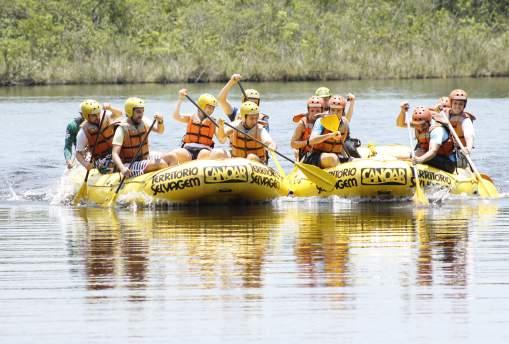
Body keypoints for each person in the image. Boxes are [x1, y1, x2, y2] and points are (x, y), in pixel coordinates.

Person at [111, 97, 169, 178]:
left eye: (142, 111)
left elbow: (160, 131)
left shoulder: (143, 121)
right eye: (138, 112)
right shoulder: (121, 129)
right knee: (160, 163)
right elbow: (114, 154)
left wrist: (160, 121)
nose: (141, 114)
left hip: (145, 158)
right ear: (130, 112)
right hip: (130, 164)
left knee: (170, 157)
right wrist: (122, 168)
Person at [170, 89, 228, 161]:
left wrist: (221, 127)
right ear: (201, 106)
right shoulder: (190, 117)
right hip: (188, 149)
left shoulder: (214, 122)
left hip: (204, 150)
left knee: (203, 154)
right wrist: (180, 99)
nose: (211, 111)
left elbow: (222, 140)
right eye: (209, 107)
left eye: (213, 108)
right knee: (176, 153)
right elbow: (176, 116)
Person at [75, 100, 123, 174]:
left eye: (98, 113)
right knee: (111, 163)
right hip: (101, 159)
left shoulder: (105, 115)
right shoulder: (83, 133)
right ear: (86, 116)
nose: (97, 117)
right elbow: (78, 154)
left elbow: (120, 114)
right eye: (93, 115)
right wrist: (86, 164)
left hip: (117, 152)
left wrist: (110, 108)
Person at [305, 95, 351, 169]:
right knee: (333, 158)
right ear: (329, 110)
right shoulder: (320, 121)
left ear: (343, 111)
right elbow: (311, 140)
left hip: (336, 155)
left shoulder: (345, 123)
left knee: (354, 160)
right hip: (316, 157)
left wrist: (348, 159)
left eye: (338, 111)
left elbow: (341, 147)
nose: (335, 113)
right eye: (333, 110)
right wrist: (330, 135)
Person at [410, 107, 456, 173]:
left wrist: (419, 159)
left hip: (448, 163)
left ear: (428, 122)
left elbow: (433, 151)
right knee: (417, 152)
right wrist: (403, 111)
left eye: (422, 125)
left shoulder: (437, 130)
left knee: (419, 153)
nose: (420, 127)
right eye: (417, 125)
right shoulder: (418, 124)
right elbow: (401, 124)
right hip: (431, 157)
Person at [437, 89, 476, 168]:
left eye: (460, 104)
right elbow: (426, 115)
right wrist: (436, 108)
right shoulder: (444, 113)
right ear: (451, 103)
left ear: (464, 105)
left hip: (458, 154)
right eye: (455, 103)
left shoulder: (465, 120)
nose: (457, 106)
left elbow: (469, 135)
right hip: (445, 150)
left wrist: (468, 148)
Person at [290, 96, 324, 161]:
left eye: (317, 111)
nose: (315, 113)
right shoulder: (302, 123)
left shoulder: (326, 121)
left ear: (322, 110)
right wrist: (308, 142)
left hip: (322, 153)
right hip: (307, 155)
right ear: (308, 110)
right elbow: (292, 144)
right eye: (312, 111)